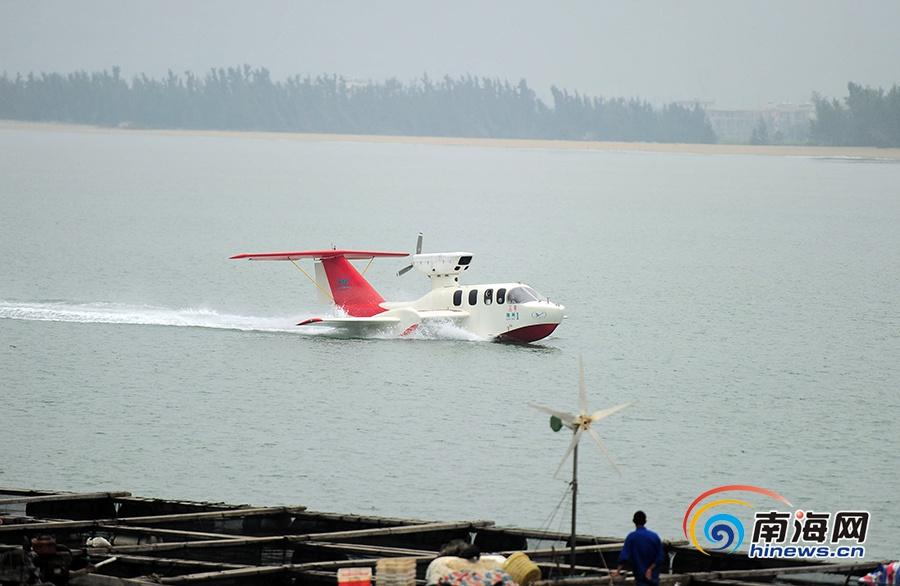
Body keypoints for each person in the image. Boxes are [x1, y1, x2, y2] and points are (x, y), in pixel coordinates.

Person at [614, 511, 664, 586]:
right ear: (645, 521)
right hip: (653, 578)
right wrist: (650, 569)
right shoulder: (654, 536)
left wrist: (617, 572)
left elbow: (624, 557)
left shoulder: (631, 537)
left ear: (633, 521)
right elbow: (660, 557)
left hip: (640, 579)